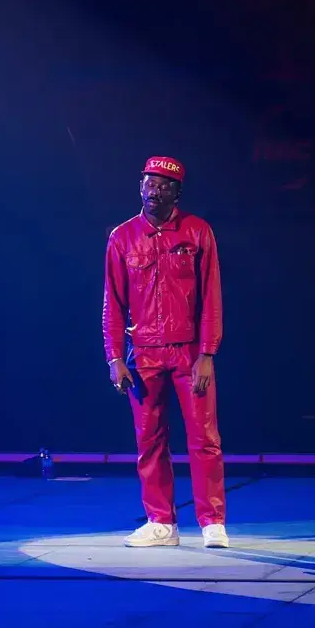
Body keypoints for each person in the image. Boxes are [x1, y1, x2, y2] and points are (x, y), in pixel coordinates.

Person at [102, 156, 229, 548]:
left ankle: (212, 522)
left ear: (177, 192)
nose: (154, 191)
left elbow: (211, 297)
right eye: (149, 183)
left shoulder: (197, 232)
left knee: (204, 438)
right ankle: (161, 523)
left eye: (163, 185)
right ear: (140, 186)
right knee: (149, 440)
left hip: (189, 352)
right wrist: (114, 357)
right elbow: (113, 302)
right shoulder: (122, 237)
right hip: (143, 355)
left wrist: (207, 353)